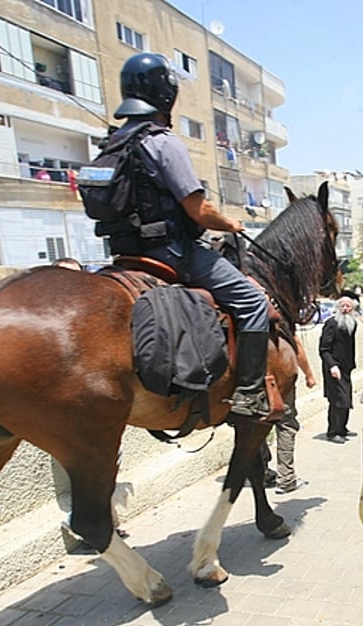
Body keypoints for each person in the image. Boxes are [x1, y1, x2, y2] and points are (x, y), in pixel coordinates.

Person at [92, 52, 270, 420]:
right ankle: (251, 393)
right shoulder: (162, 141)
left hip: (124, 254)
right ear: (166, 95)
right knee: (253, 301)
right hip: (172, 253)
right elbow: (198, 211)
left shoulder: (111, 143)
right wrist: (232, 225)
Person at [271, 334, 317, 494]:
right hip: (279, 383)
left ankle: (262, 472)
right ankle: (286, 478)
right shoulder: (279, 323)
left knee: (254, 424)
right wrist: (309, 374)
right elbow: (297, 348)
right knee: (286, 424)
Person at [318, 296, 359, 443]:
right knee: (338, 400)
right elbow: (324, 349)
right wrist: (332, 365)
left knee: (346, 399)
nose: (345, 309)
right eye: (342, 306)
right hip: (334, 368)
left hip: (346, 368)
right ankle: (333, 431)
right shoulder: (332, 323)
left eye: (348, 306)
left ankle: (342, 428)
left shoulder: (352, 323)